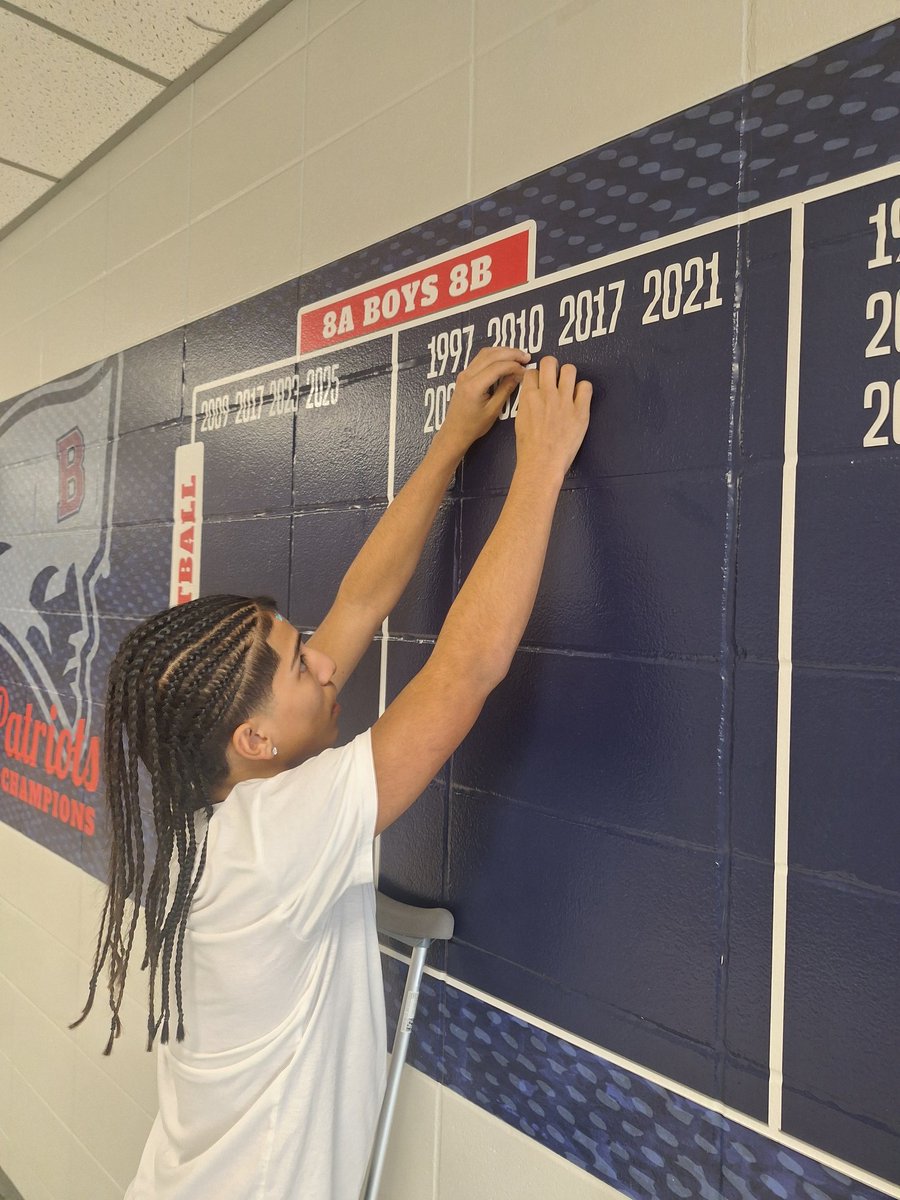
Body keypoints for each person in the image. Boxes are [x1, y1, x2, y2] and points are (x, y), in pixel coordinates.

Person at [71, 346, 594, 1198]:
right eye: (297, 665)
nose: (322, 663)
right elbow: (463, 672)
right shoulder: (271, 841)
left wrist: (452, 441)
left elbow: (359, 603)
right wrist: (540, 465)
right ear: (256, 739)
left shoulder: (215, 819)